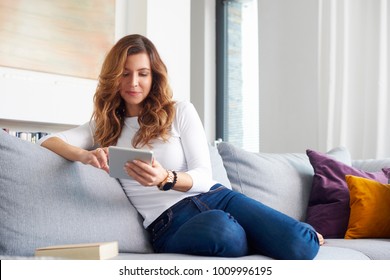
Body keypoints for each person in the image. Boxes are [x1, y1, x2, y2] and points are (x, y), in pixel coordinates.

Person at [38, 34, 323, 259]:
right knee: (226, 233)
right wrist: (86, 155)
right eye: (125, 73)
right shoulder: (103, 127)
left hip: (217, 198)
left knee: (303, 245)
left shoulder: (180, 111)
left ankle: (286, 234)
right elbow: (47, 141)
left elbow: (203, 174)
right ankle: (268, 235)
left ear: (154, 76)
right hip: (169, 222)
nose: (133, 83)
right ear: (113, 77)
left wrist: (165, 178)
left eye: (142, 73)